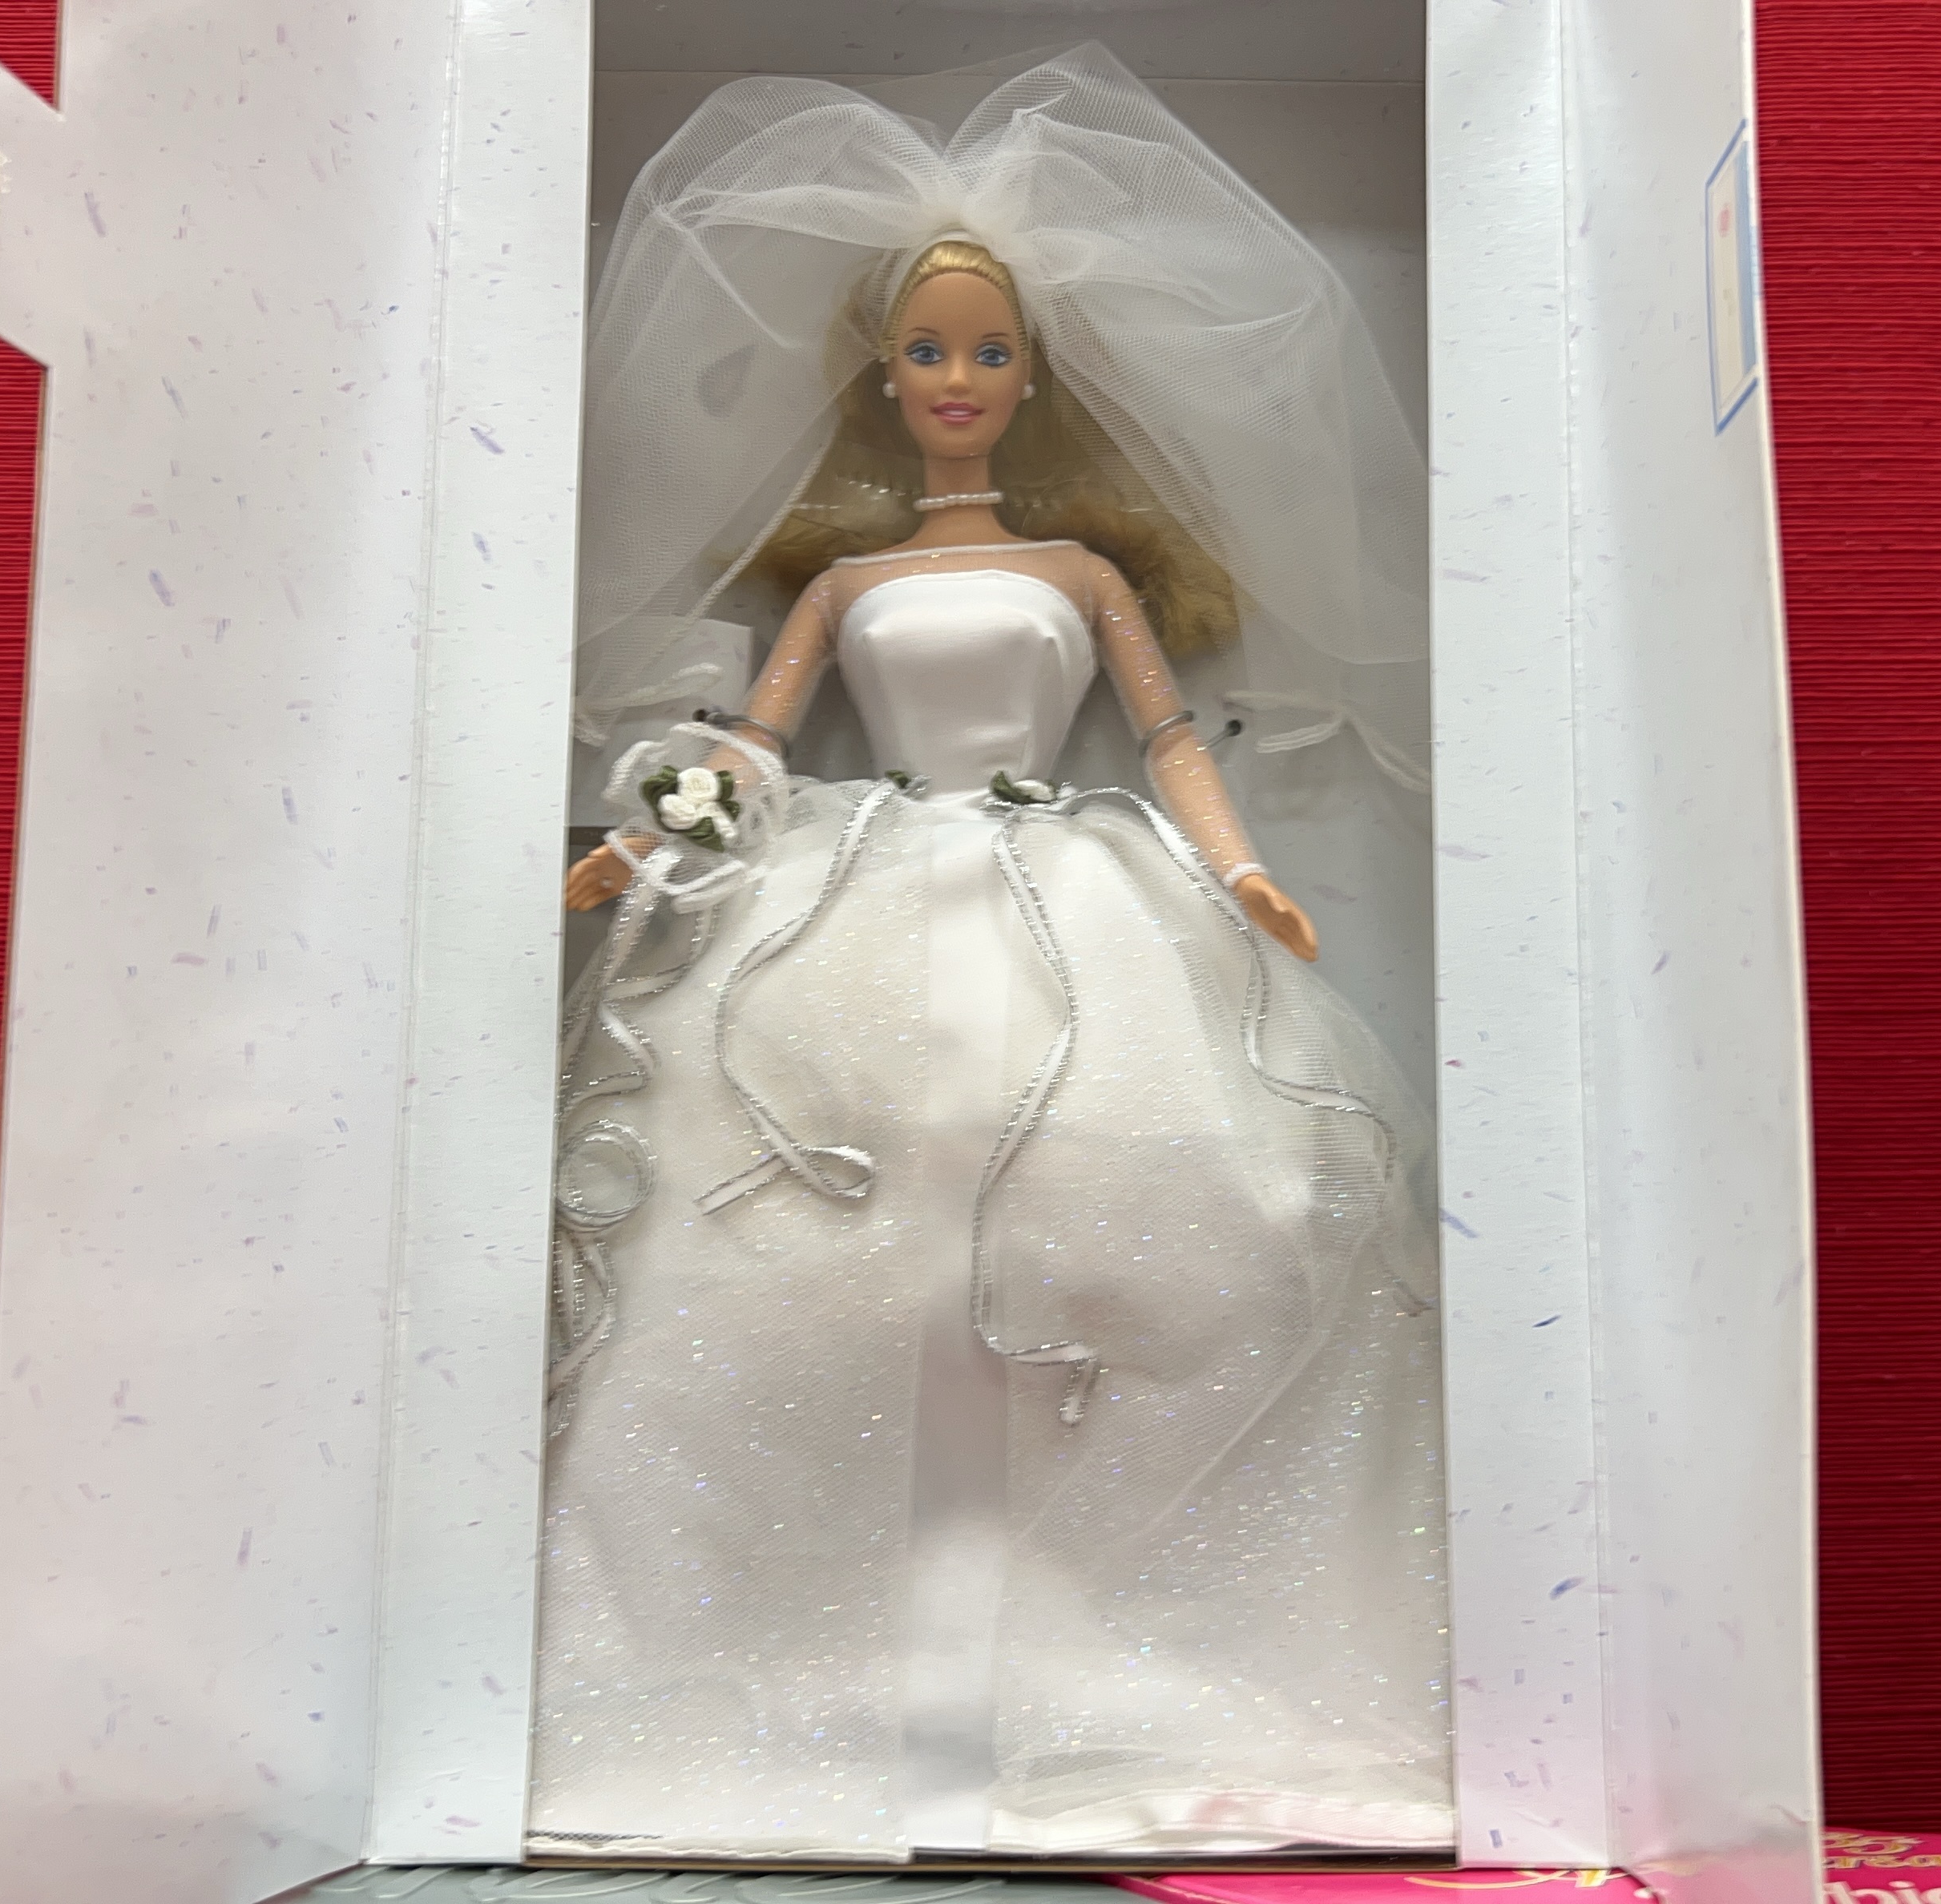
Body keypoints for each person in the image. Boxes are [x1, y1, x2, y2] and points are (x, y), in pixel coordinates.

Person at [529, 46, 1449, 1861]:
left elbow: (1168, 735)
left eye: (990, 352)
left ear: (1034, 377)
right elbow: (756, 748)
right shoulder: (842, 587)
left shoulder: (1083, 571)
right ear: (885, 379)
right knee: (798, 1244)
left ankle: (1101, 1669)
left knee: (1164, 1215)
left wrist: (1241, 875)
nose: (958, 381)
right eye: (929, 353)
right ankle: (788, 1669)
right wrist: (644, 841)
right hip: (853, 892)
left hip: (1072, 890)